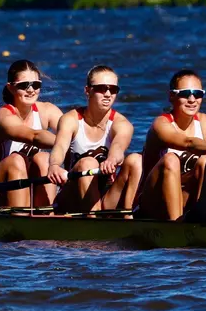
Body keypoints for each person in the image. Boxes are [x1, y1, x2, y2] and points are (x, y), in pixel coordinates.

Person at [47, 65, 142, 215]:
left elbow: (118, 147)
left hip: (106, 196)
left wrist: (111, 159)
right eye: (101, 88)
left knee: (136, 160)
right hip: (73, 197)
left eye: (113, 89)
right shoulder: (70, 120)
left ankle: (127, 216)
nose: (108, 94)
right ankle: (94, 221)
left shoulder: (122, 124)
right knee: (88, 163)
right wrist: (54, 165)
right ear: (88, 91)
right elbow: (59, 147)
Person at [137, 69, 206, 221]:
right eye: (185, 94)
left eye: (198, 94)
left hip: (187, 198)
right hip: (154, 201)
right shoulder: (160, 124)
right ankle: (176, 227)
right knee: (170, 160)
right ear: (171, 96)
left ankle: (202, 218)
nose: (192, 99)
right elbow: (188, 143)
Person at [0, 60, 63, 207]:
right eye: (24, 85)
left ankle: (46, 214)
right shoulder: (3, 117)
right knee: (16, 160)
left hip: (28, 190)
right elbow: (34, 136)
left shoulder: (47, 110)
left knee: (44, 158)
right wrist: (64, 143)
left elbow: (72, 131)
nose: (31, 90)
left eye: (36, 85)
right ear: (11, 88)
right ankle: (21, 216)